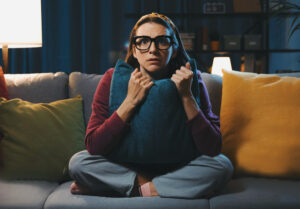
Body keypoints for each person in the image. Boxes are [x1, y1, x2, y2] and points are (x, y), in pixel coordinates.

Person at [68, 12, 233, 199]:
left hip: (179, 167)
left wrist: (187, 97)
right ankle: (160, 187)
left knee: (222, 165)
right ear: (135, 49)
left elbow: (213, 148)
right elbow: (94, 146)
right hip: (128, 166)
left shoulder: (191, 80)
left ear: (174, 48)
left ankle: (132, 189)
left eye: (162, 41)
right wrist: (130, 101)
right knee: (79, 162)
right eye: (143, 41)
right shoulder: (111, 79)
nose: (153, 49)